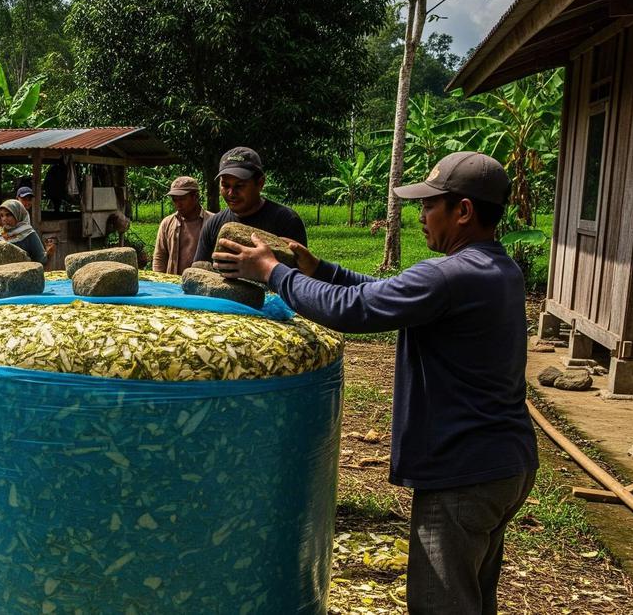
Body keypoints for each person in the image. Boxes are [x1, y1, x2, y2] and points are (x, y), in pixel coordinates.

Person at [213, 152, 537, 615]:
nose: (420, 216)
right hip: (505, 463)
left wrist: (272, 272)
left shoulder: (449, 275)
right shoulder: (496, 269)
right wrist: (318, 269)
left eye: (429, 206)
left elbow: (352, 311)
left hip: (463, 473)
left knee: (439, 604)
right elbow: (376, 293)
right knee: (474, 596)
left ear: (462, 211)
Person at [192, 147, 307, 264]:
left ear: (260, 183)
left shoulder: (287, 222)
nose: (231, 193)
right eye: (225, 186)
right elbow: (199, 271)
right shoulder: (213, 225)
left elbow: (300, 277)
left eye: (240, 186)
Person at [152, 176, 212, 275]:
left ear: (195, 197)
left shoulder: (212, 222)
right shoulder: (167, 223)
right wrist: (159, 283)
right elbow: (160, 257)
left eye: (182, 199)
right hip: (172, 286)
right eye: (175, 200)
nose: (178, 204)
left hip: (203, 284)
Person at [0, 199, 47, 265]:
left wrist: (49, 253)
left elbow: (41, 259)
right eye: (2, 215)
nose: (4, 219)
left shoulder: (28, 233)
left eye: (8, 215)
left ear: (18, 215)